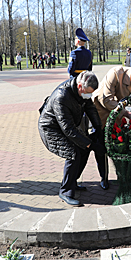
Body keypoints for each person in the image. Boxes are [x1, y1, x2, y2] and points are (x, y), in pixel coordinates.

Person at [38, 71, 105, 207]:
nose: (88, 96)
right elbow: (68, 129)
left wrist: (98, 127)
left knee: (83, 150)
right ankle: (66, 191)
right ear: (80, 86)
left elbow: (90, 107)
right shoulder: (62, 96)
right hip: (51, 129)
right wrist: (90, 145)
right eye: (87, 92)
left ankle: (72, 182)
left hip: (66, 127)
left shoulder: (82, 92)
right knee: (73, 153)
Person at [92, 65, 131, 189]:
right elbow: (106, 99)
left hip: (120, 115)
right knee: (101, 146)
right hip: (100, 113)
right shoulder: (115, 73)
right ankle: (103, 178)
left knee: (121, 145)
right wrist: (125, 113)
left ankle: (121, 175)